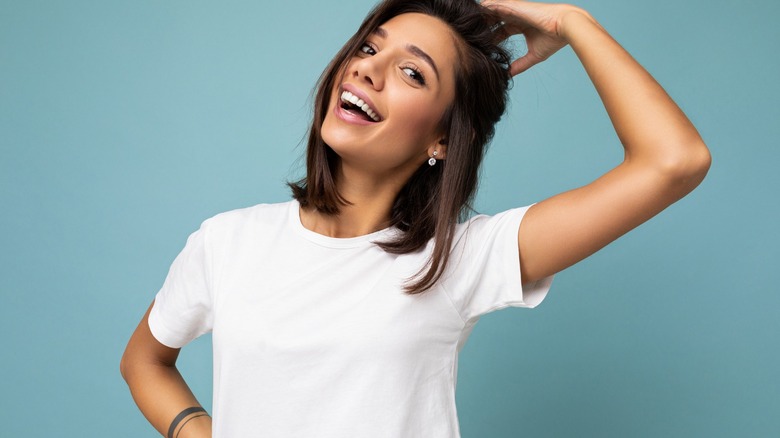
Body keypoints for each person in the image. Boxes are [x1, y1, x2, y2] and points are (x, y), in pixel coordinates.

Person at [120, 0, 711, 436]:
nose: (367, 70)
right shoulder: (229, 240)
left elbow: (674, 161)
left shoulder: (462, 258)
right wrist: (196, 430)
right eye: (369, 48)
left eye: (413, 72)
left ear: (444, 140)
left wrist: (573, 24)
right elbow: (145, 360)